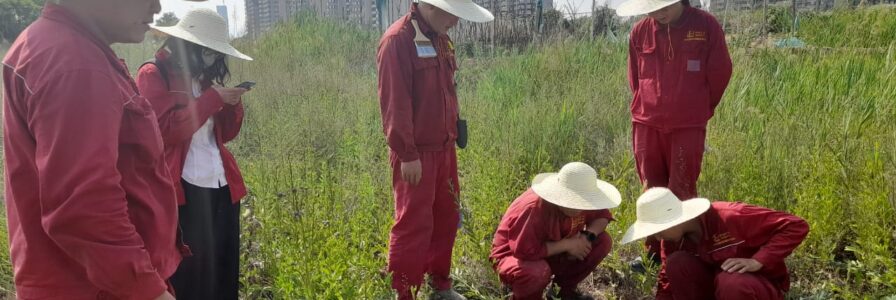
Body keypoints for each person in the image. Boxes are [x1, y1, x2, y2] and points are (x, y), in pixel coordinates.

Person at [1, 0, 205, 298]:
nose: (157, 7)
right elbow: (86, 206)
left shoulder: (56, 45)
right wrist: (149, 291)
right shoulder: (75, 63)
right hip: (98, 286)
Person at [376, 0, 493, 299]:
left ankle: (440, 285)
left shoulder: (441, 39)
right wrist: (408, 154)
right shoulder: (397, 41)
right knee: (413, 226)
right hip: (416, 154)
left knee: (446, 218)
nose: (455, 21)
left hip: (445, 149)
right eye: (452, 13)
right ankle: (404, 293)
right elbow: (395, 104)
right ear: (429, 5)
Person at [135, 8, 252, 300]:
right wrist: (212, 100)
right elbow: (161, 132)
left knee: (223, 270)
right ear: (187, 45)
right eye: (207, 51)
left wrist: (231, 103)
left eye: (215, 53)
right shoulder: (154, 74)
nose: (212, 58)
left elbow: (225, 135)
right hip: (184, 190)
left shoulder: (204, 80)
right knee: (191, 275)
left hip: (222, 186)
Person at [615, 0, 734, 263]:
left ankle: (680, 253)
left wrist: (698, 108)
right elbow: (635, 77)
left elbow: (720, 72)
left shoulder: (705, 26)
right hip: (646, 123)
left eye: (664, 6)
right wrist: (646, 105)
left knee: (681, 188)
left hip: (687, 125)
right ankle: (654, 252)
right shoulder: (639, 31)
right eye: (652, 7)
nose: (658, 12)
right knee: (652, 190)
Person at [621, 188, 810, 299]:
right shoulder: (671, 240)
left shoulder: (731, 216)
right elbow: (666, 283)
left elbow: (796, 226)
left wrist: (757, 261)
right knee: (676, 263)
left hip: (754, 287)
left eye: (659, 230)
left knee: (730, 281)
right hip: (717, 289)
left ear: (675, 220)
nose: (657, 237)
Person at [490, 162, 621, 300]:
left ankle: (562, 292)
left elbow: (602, 217)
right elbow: (524, 251)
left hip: (552, 249)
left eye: (583, 202)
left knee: (603, 241)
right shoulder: (534, 208)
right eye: (574, 201)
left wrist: (587, 236)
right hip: (514, 257)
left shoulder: (586, 199)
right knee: (537, 272)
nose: (580, 208)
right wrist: (568, 245)